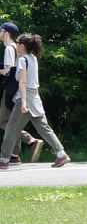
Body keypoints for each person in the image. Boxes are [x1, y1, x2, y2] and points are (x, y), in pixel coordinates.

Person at [0, 34, 71, 167]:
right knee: (44, 128)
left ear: (22, 45)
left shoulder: (22, 60)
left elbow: (22, 82)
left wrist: (24, 103)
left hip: (24, 98)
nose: (16, 46)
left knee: (11, 128)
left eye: (17, 44)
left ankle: (4, 160)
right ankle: (61, 154)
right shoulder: (33, 59)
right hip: (35, 97)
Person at [0, 22, 44, 168]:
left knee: (5, 122)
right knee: (12, 121)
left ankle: (30, 141)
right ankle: (14, 155)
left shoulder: (9, 49)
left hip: (12, 89)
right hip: (17, 89)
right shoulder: (15, 48)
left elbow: (8, 71)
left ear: (6, 33)